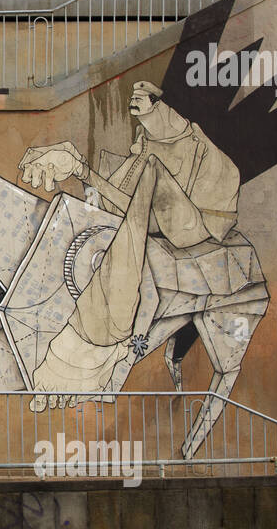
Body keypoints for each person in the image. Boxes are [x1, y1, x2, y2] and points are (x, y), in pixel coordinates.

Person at [17, 80, 241, 406]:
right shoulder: (146, 147)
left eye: (144, 98)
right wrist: (78, 167)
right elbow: (120, 205)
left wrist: (84, 172)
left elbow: (146, 212)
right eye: (134, 98)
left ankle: (89, 349)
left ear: (164, 104)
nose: (135, 104)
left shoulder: (197, 155)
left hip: (197, 225)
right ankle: (84, 347)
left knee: (148, 178)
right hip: (146, 224)